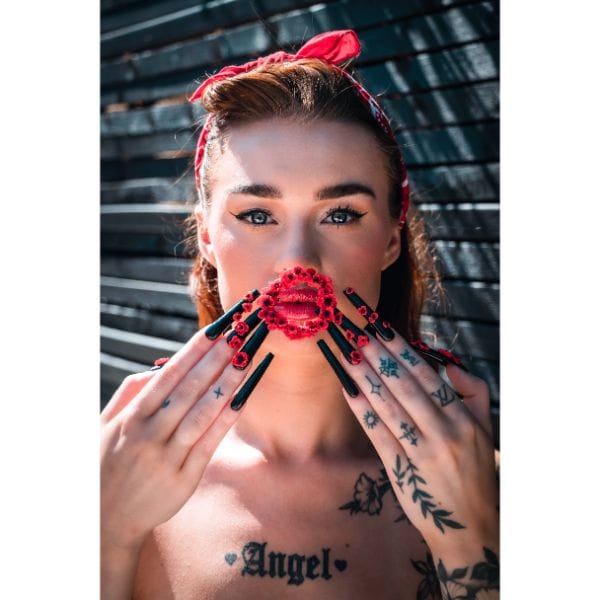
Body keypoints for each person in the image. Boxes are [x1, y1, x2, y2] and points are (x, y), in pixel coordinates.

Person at [101, 30, 499, 599]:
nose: (299, 260)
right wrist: (105, 536)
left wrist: (473, 543)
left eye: (341, 214)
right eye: (257, 215)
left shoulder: (482, 485)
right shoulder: (109, 479)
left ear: (391, 238)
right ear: (207, 236)